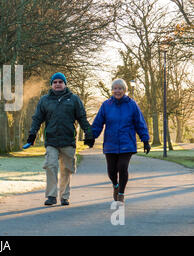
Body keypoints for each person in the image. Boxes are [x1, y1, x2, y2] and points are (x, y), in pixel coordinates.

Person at [26, 72, 94, 206]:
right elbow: (37, 119)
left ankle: (64, 196)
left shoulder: (74, 99)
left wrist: (89, 134)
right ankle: (51, 196)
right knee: (51, 165)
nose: (57, 84)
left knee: (66, 169)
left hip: (68, 140)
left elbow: (82, 118)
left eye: (60, 82)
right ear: (51, 85)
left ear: (65, 84)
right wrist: (32, 134)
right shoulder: (44, 100)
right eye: (55, 82)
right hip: (51, 140)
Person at [91, 78, 150, 204]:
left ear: (125, 90)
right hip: (110, 143)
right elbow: (98, 123)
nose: (117, 91)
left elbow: (140, 123)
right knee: (111, 171)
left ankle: (121, 194)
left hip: (126, 143)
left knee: (122, 167)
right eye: (115, 88)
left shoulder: (132, 105)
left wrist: (145, 140)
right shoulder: (106, 105)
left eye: (120, 88)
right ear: (112, 90)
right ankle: (116, 186)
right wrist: (92, 136)